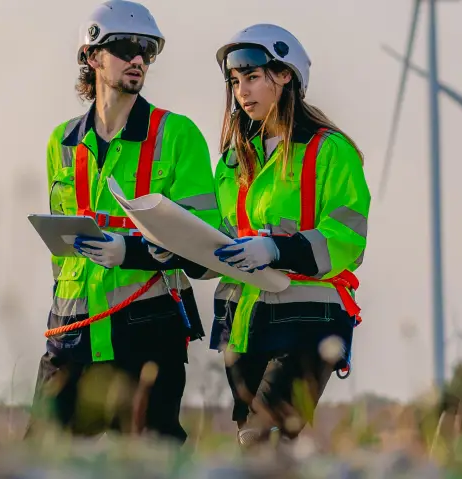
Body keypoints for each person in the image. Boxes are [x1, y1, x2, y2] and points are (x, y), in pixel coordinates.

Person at [25, 0, 219, 444]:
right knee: (39, 460)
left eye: (147, 51)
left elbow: (204, 247)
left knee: (151, 463)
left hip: (147, 335)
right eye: (127, 47)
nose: (138, 59)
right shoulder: (62, 142)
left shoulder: (177, 135)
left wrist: (128, 251)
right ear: (92, 56)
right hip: (70, 335)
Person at [205, 23, 371, 447]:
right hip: (243, 322)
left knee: (267, 438)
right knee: (257, 445)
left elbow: (348, 238)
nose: (242, 92)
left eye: (253, 77)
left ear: (286, 75)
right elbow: (220, 233)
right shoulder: (232, 161)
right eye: (236, 81)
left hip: (308, 319)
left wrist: (275, 248)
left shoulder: (330, 151)